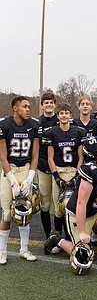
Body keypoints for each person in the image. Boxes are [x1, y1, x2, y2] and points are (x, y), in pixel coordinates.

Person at [0, 96, 40, 264]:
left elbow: (35, 154)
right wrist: (12, 180)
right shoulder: (4, 125)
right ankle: (2, 251)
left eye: (29, 106)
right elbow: (2, 155)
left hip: (25, 168)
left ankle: (24, 249)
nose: (28, 109)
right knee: (7, 213)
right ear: (15, 108)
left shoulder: (34, 125)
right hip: (9, 170)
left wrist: (30, 177)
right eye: (25, 106)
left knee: (25, 211)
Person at [43, 102, 87, 235]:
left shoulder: (79, 131)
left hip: (73, 170)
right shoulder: (51, 132)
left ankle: (70, 235)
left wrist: (77, 175)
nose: (64, 115)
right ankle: (57, 235)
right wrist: (56, 176)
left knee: (72, 207)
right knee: (58, 207)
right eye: (61, 113)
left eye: (66, 113)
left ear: (70, 115)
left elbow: (81, 157)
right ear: (58, 115)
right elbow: (50, 157)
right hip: (59, 170)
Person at [36, 91, 59, 235]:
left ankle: (59, 234)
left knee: (59, 204)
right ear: (42, 105)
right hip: (43, 165)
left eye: (51, 102)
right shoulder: (37, 123)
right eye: (46, 103)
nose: (49, 105)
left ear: (54, 104)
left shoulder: (62, 119)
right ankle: (47, 235)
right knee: (45, 203)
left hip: (59, 166)